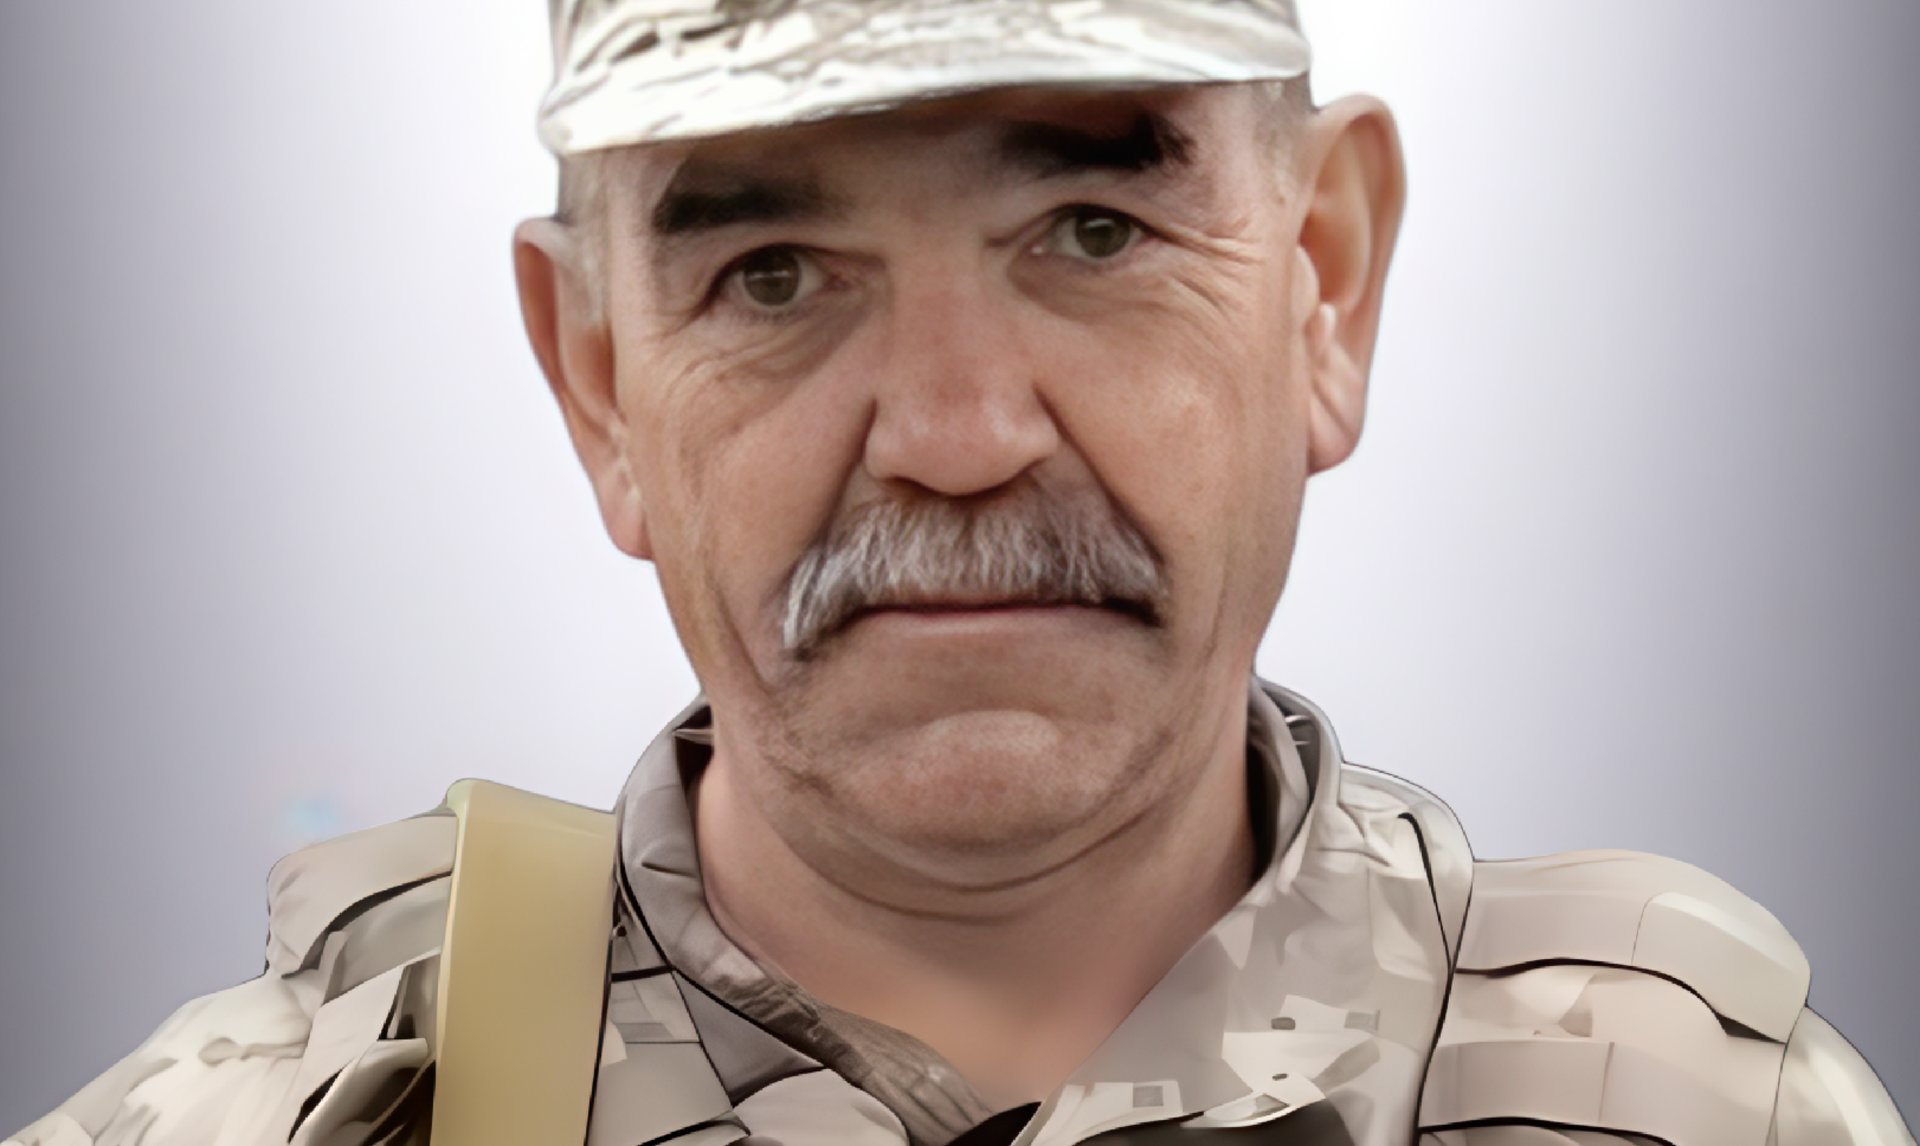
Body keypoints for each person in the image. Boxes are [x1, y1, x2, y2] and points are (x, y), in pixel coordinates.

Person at [6, 1, 1912, 1144]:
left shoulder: (1698, 1115)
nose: (956, 427)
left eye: (1092, 228)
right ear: (599, 380)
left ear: (1323, 286)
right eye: (773, 275)